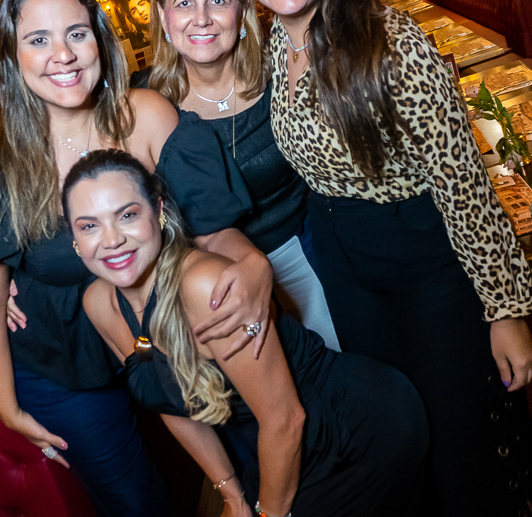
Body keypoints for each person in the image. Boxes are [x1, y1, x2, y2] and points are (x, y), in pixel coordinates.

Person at [232, 0, 532, 516]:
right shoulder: (270, 47)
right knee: (404, 440)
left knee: (464, 455)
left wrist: (505, 309)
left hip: (425, 264)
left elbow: (462, 180)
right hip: (347, 270)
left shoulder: (390, 39)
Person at [0, 0, 274, 517]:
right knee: (137, 503)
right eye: (37, 40)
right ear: (12, 59)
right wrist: (6, 406)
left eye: (76, 33)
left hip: (165, 330)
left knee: (253, 460)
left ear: (99, 36)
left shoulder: (146, 114)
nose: (62, 55)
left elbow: (213, 227)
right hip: (58, 360)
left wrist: (252, 265)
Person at [65, 149, 429, 517]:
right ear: (75, 240)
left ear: (158, 212)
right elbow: (169, 403)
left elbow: (286, 419)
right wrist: (231, 494)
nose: (111, 240)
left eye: (127, 215)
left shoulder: (204, 286)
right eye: (89, 225)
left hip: (347, 430)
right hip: (274, 448)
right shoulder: (99, 303)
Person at [145, 0, 339, 350]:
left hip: (309, 253)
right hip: (212, 281)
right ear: (164, 17)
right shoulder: (145, 105)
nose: (201, 18)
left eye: (217, 0)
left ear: (242, 12)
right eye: (184, 3)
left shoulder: (283, 72)